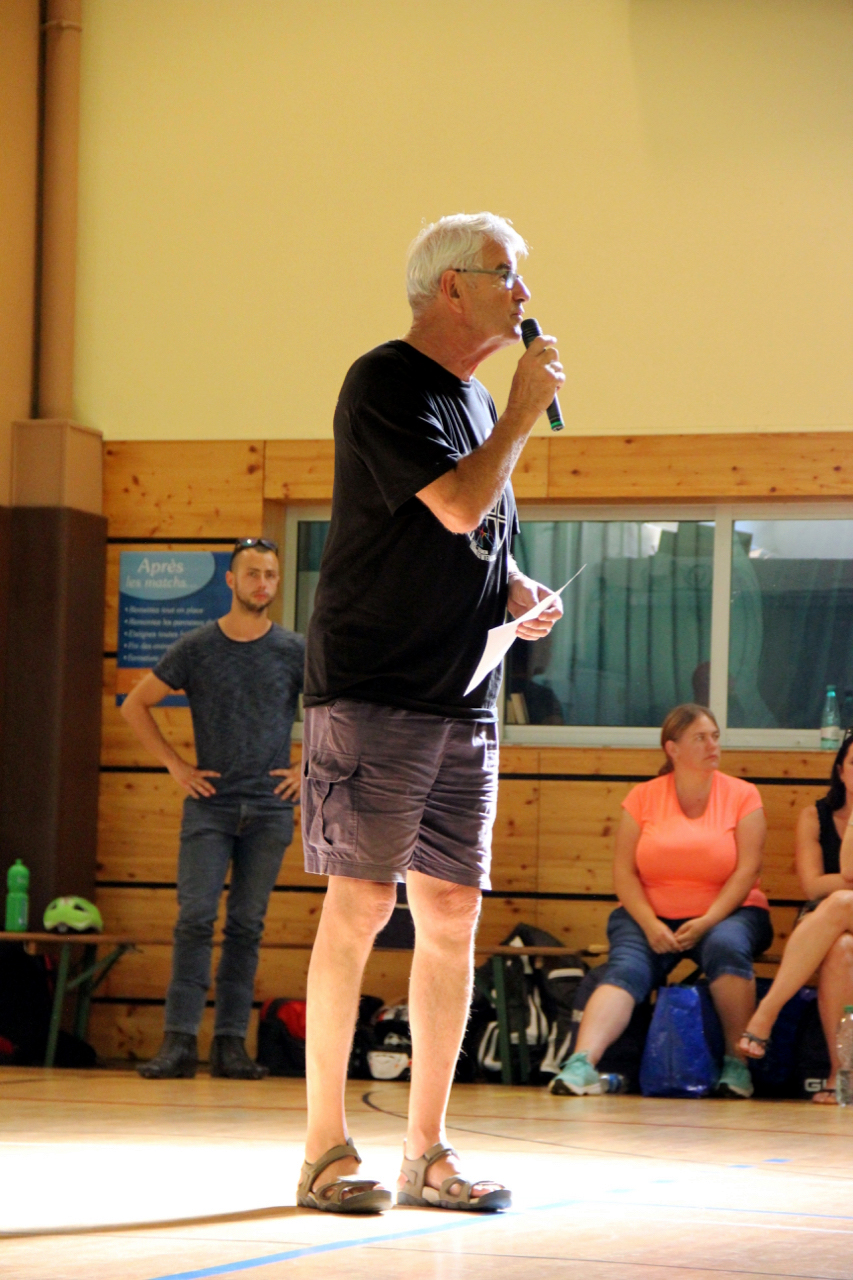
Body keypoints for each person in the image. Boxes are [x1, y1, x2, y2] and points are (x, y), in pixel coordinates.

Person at [297, 212, 564, 1214]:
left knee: (451, 910)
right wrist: (522, 416)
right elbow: (454, 503)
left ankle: (426, 1151)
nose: (523, 293)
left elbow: (468, 536)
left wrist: (514, 588)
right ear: (451, 286)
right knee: (364, 903)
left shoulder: (479, 400)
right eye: (505, 274)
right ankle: (325, 1150)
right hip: (376, 686)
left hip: (465, 693)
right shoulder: (384, 382)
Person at [121, 538, 304, 1080]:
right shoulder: (197, 647)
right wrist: (175, 765)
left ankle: (229, 1045)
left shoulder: (294, 649)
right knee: (195, 920)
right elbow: (136, 704)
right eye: (252, 574)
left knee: (247, 926)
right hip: (210, 806)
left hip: (270, 807)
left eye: (270, 575)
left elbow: (338, 710)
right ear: (230, 580)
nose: (262, 584)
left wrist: (309, 767)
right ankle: (178, 1042)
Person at [550, 703, 771, 1100]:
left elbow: (747, 870)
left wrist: (707, 921)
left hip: (728, 913)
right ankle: (582, 1063)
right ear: (673, 748)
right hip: (649, 915)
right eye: (700, 738)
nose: (713, 745)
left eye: (715, 737)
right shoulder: (643, 797)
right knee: (627, 966)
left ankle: (737, 1065)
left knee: (726, 946)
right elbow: (624, 872)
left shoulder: (743, 795)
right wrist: (650, 924)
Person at [739, 733, 853, 1101]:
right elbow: (815, 885)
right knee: (841, 949)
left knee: (841, 902)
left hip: (838, 907)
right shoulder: (815, 816)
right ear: (841, 771)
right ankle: (842, 1072)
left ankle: (767, 1011)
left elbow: (841, 877)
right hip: (827, 918)